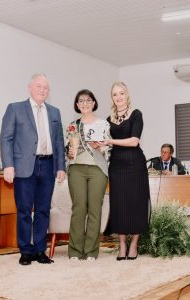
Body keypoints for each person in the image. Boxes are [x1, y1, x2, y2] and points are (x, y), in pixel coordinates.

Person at [0, 73, 66, 266]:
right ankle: (25, 251)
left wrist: (61, 166)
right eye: (38, 86)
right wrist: (8, 165)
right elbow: (6, 138)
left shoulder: (54, 112)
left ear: (49, 91)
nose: (42, 90)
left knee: (44, 210)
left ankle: (39, 250)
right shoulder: (15, 108)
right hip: (23, 166)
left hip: (48, 165)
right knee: (24, 210)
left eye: (45, 87)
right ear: (29, 87)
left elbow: (59, 141)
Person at [99, 81, 150, 261]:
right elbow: (104, 145)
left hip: (135, 164)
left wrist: (110, 142)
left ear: (127, 95)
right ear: (112, 98)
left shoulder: (136, 114)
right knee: (119, 204)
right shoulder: (107, 120)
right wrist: (96, 146)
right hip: (117, 165)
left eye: (121, 93)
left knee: (136, 203)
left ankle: (134, 244)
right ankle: (122, 245)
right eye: (115, 94)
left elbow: (134, 141)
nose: (119, 97)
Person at [66, 89, 111, 261]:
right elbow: (68, 149)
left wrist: (100, 148)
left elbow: (111, 148)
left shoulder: (104, 124)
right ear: (77, 105)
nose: (84, 103)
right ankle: (75, 250)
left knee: (94, 209)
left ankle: (91, 251)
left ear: (93, 103)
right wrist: (69, 153)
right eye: (81, 101)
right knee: (78, 209)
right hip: (76, 168)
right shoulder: (72, 125)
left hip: (97, 169)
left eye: (88, 100)